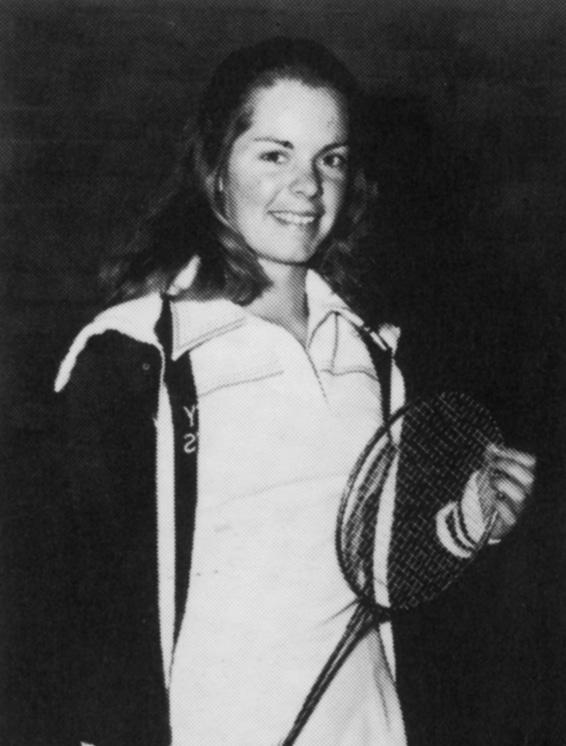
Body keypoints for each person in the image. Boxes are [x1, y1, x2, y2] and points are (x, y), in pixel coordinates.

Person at [54, 37, 536, 746]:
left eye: (329, 158)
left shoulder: (372, 352)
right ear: (217, 169)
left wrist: (468, 522)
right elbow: (86, 613)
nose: (308, 186)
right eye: (274, 154)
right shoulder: (133, 355)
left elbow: (368, 570)